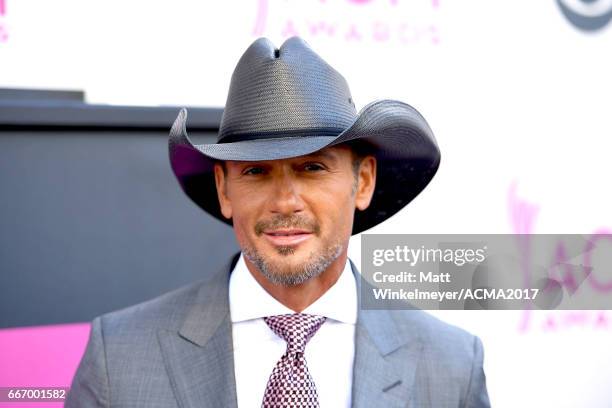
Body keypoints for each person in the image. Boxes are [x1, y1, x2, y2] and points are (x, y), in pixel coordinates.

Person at [66, 36, 490, 407]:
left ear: (363, 182)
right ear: (224, 189)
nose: (285, 202)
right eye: (256, 171)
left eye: (313, 169)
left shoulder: (450, 365)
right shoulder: (120, 354)